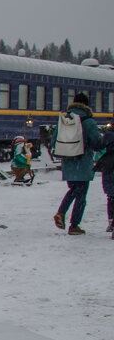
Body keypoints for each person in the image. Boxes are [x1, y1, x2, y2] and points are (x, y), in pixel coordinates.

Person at [53, 93, 106, 235]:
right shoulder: (88, 121)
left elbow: (54, 141)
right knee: (81, 195)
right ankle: (74, 225)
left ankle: (61, 213)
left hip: (68, 162)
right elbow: (96, 144)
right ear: (87, 105)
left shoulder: (65, 119)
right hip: (82, 162)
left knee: (73, 190)